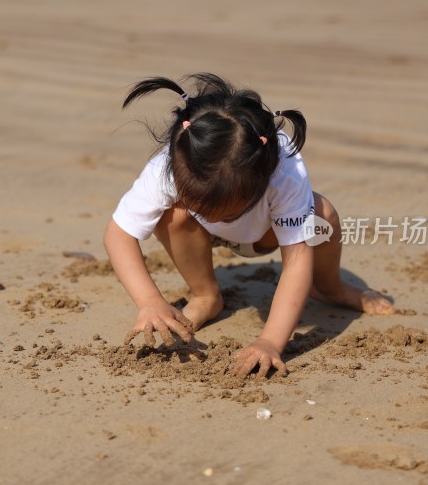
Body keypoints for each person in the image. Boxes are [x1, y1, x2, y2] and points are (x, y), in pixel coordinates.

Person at [104, 73, 395, 378]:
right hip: (199, 237)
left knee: (323, 214)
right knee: (174, 214)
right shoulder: (172, 164)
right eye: (203, 207)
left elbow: (297, 261)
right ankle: (205, 295)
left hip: (266, 234)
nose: (215, 217)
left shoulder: (284, 171)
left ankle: (330, 288)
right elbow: (118, 234)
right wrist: (150, 302)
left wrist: (270, 341)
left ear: (263, 180)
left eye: (226, 212)